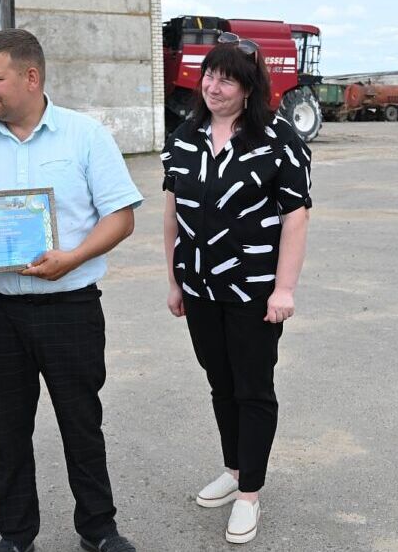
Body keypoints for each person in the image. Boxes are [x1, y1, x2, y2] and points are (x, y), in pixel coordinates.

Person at [0, 28, 142, 552]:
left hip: (71, 307)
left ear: (31, 77)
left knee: (81, 424)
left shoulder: (84, 136)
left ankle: (98, 529)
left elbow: (121, 217)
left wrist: (73, 258)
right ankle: (16, 535)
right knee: (8, 430)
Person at [161, 33, 312, 544]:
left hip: (253, 289)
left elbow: (295, 217)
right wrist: (175, 280)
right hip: (199, 286)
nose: (214, 86)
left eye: (227, 79)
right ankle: (233, 468)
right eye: (210, 75)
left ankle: (250, 493)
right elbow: (172, 214)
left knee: (252, 387)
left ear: (249, 88)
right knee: (220, 382)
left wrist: (284, 289)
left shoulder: (279, 138)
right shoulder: (185, 137)